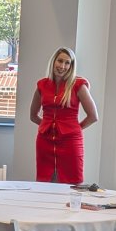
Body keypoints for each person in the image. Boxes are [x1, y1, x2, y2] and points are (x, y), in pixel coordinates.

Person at [30, 47, 99, 183]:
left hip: (70, 142)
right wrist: (48, 126)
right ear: (53, 61)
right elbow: (33, 116)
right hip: (44, 141)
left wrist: (73, 128)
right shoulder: (42, 85)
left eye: (67, 63)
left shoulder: (78, 85)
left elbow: (93, 116)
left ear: (71, 66)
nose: (62, 66)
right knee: (44, 181)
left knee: (73, 182)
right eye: (60, 61)